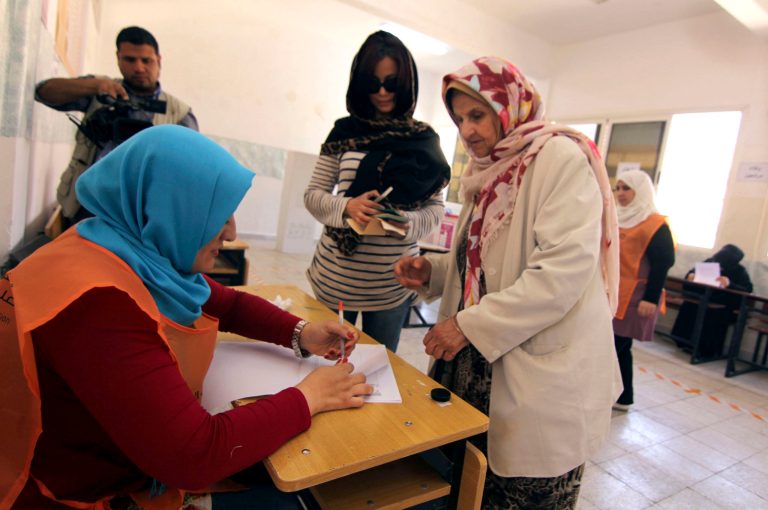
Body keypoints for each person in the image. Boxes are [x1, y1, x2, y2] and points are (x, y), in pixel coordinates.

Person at [0, 125, 372, 509]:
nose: (231, 233)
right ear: (171, 209)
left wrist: (303, 332)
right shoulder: (97, 303)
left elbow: (227, 304)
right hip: (69, 493)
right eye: (219, 215)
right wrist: (310, 396)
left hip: (123, 456)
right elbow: (193, 455)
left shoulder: (121, 247)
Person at [394, 57, 621, 509]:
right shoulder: (491, 171)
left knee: (524, 496)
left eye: (477, 115)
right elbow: (483, 264)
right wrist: (434, 272)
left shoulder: (558, 158)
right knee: (470, 491)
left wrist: (466, 325)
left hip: (538, 378)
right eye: (460, 119)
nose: (468, 131)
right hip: (476, 371)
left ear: (509, 105)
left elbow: (560, 274)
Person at [304, 30, 450, 352]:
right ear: (359, 84)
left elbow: (435, 209)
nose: (383, 93)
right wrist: (347, 207)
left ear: (407, 83)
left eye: (392, 83)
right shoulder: (344, 132)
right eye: (373, 83)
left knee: (377, 371)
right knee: (328, 363)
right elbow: (313, 194)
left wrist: (402, 221)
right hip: (336, 278)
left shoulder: (424, 140)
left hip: (391, 285)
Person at [35, 26, 198, 227]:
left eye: (146, 60)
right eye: (130, 60)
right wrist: (95, 86)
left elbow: (191, 170)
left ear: (159, 60)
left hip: (140, 215)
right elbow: (44, 92)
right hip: (85, 206)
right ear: (118, 58)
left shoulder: (179, 113)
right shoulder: (100, 91)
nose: (139, 68)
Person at [611, 169, 675, 411]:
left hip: (634, 297)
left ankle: (619, 395)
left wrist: (651, 298)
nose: (621, 194)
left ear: (641, 190)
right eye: (618, 188)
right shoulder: (617, 216)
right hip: (613, 291)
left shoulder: (654, 223)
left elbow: (664, 262)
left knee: (617, 345)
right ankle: (621, 396)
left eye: (626, 188)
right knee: (616, 345)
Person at [671, 243, 753, 358]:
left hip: (724, 305)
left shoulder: (740, 271)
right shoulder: (710, 261)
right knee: (689, 306)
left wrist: (729, 284)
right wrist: (690, 276)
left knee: (713, 314)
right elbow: (692, 274)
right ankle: (684, 341)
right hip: (703, 299)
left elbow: (747, 290)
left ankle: (706, 349)